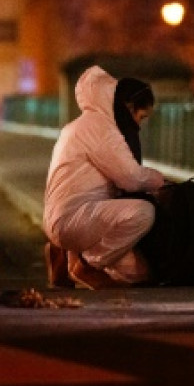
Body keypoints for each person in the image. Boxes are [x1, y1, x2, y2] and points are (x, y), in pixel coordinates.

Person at [43, 66, 164, 289]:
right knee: (143, 213)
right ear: (129, 107)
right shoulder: (101, 128)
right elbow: (131, 178)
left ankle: (65, 255)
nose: (139, 124)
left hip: (66, 216)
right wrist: (161, 181)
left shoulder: (79, 125)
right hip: (74, 219)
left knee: (140, 272)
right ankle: (87, 263)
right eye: (141, 116)